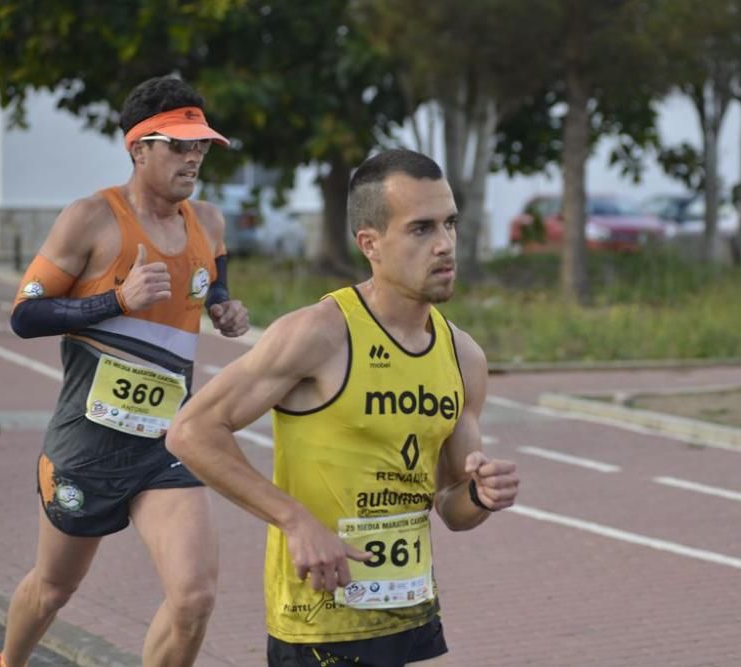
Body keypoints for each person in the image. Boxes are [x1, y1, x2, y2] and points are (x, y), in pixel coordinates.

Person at [166, 148, 520, 666]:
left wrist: (481, 494)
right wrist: (294, 520)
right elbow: (192, 431)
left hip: (407, 610)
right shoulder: (320, 333)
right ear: (370, 244)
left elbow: (452, 508)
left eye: (450, 224)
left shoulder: (463, 356)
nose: (445, 245)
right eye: (421, 229)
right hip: (319, 619)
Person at [0, 75, 249, 667]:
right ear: (139, 148)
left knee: (194, 598)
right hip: (89, 441)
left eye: (202, 145)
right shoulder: (90, 218)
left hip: (166, 441)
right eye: (180, 145)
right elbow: (24, 317)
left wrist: (223, 308)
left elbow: (214, 279)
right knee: (54, 589)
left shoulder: (209, 222)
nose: (195, 157)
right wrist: (116, 300)